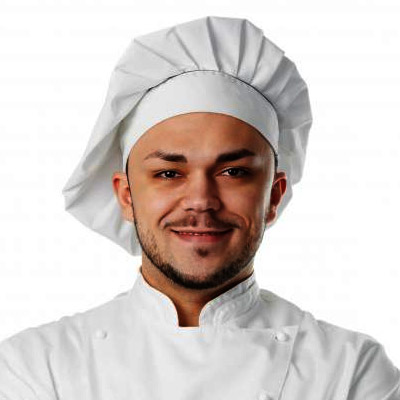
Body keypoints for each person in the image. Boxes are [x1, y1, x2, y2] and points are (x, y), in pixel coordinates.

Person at [0, 15, 399, 400]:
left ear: (274, 196)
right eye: (169, 173)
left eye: (233, 172)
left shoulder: (349, 372)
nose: (201, 201)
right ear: (126, 196)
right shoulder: (37, 367)